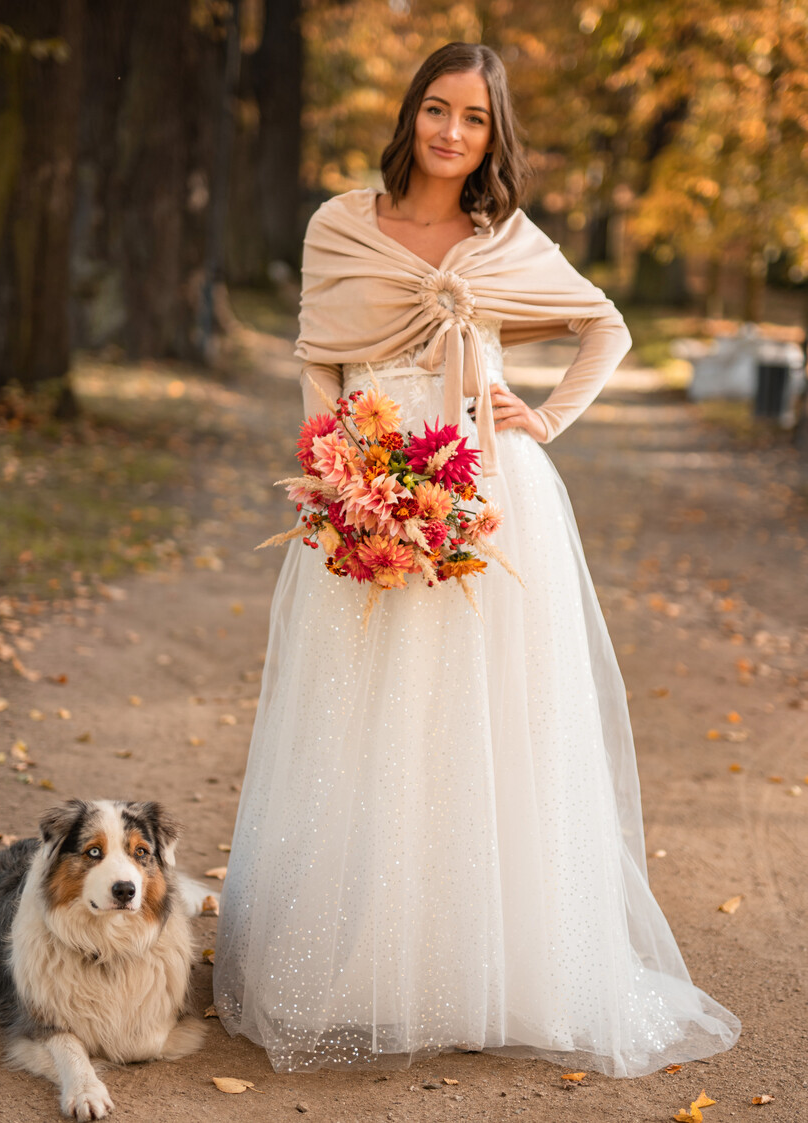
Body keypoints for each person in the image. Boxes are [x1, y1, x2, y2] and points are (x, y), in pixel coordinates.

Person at [212, 41, 740, 1077]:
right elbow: (318, 355)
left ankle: (490, 966)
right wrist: (333, 462)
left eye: (475, 119)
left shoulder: (504, 242)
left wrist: (542, 417)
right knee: (364, 716)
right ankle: (362, 965)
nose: (451, 132)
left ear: (492, 136)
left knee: (479, 718)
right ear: (409, 112)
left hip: (485, 500)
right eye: (437, 109)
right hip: (372, 485)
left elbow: (607, 329)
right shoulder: (338, 225)